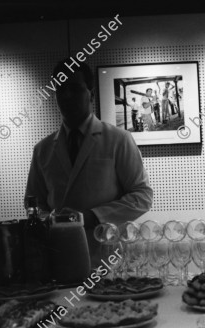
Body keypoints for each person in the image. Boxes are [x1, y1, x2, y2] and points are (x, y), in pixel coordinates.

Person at [25, 59, 153, 268]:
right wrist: (52, 222)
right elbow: (34, 203)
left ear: (91, 94)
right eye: (61, 89)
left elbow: (142, 196)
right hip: (58, 258)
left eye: (75, 88)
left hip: (108, 258)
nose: (67, 96)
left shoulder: (118, 139)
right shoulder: (43, 149)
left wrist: (94, 217)